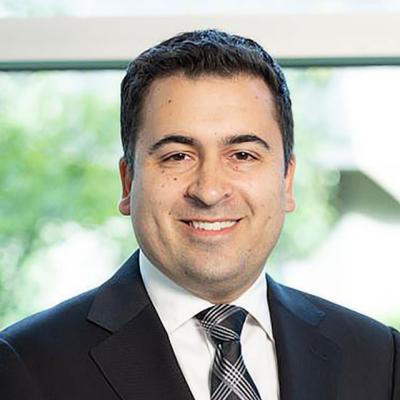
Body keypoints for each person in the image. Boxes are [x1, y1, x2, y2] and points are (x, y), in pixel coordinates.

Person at [0, 29, 398, 400]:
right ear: (127, 182)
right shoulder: (22, 367)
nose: (209, 191)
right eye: (178, 156)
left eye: (242, 155)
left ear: (287, 180)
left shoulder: (382, 359)